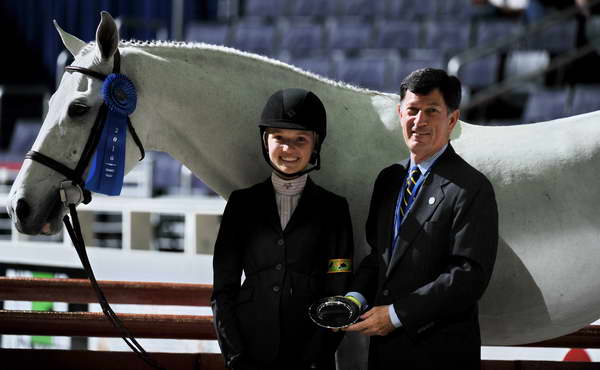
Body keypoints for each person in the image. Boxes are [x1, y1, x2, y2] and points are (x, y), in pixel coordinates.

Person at [343, 68, 498, 370]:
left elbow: (468, 276)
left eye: (432, 111)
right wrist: (353, 299)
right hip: (385, 354)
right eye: (412, 110)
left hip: (440, 353)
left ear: (452, 120)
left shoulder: (472, 187)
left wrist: (396, 315)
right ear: (400, 113)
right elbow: (380, 258)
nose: (420, 121)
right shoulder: (389, 179)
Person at [211, 88, 354, 370]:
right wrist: (235, 355)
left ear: (315, 145)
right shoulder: (241, 204)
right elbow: (223, 290)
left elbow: (338, 287)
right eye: (279, 138)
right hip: (250, 353)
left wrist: (316, 357)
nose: (288, 149)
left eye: (300, 139)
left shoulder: (334, 209)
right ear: (266, 142)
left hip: (310, 354)